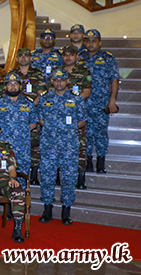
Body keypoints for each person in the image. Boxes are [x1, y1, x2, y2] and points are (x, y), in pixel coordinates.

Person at [37, 69, 86, 226]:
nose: (59, 82)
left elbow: (82, 120)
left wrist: (68, 131)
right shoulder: (45, 98)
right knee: (47, 176)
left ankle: (66, 211)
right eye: (56, 79)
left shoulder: (76, 99)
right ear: (52, 81)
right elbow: (41, 119)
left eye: (62, 79)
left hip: (69, 145)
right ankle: (47, 210)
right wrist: (53, 131)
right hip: (49, 144)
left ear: (68, 81)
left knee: (69, 177)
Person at [80, 29, 120, 174]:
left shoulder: (108, 58)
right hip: (84, 103)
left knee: (101, 132)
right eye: (88, 40)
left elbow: (114, 80)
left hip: (102, 102)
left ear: (100, 42)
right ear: (85, 42)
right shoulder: (80, 57)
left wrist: (112, 100)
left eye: (94, 40)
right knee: (86, 133)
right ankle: (88, 160)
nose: (91, 43)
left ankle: (101, 161)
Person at [0, 73, 38, 184]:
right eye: (10, 84)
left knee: (22, 174)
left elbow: (34, 123)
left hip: (22, 147)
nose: (13, 86)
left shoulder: (28, 103)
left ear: (20, 86)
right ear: (5, 87)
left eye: (16, 84)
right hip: (2, 145)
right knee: (1, 174)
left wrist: (21, 131)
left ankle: (21, 200)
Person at [55, 45, 92, 188]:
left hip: (76, 111)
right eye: (65, 55)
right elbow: (51, 89)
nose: (68, 57)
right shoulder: (57, 71)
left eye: (71, 54)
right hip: (58, 113)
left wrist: (71, 103)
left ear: (77, 56)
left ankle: (80, 175)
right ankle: (58, 174)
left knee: (79, 144)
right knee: (58, 144)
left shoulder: (83, 71)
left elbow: (87, 91)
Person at [9, 48, 47, 185]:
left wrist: (28, 105)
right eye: (21, 56)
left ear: (30, 58)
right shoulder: (12, 74)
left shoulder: (37, 73)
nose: (24, 58)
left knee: (34, 143)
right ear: (17, 59)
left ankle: (34, 172)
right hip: (14, 114)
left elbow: (41, 92)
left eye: (26, 55)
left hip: (32, 111)